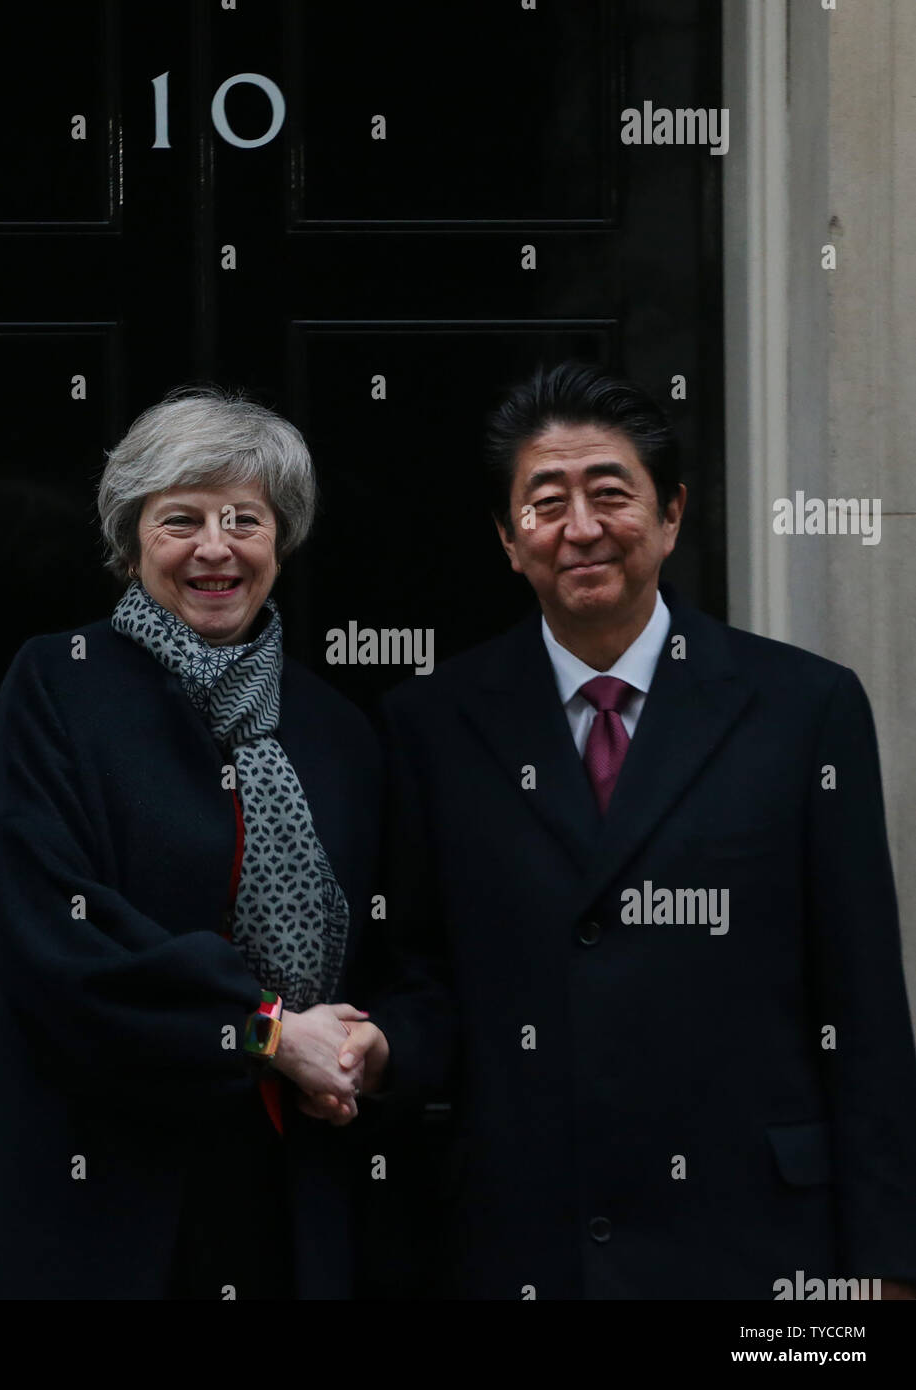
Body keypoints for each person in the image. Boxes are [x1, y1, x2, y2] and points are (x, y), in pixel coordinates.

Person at [343, 361, 916, 1299]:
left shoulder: (803, 708)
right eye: (545, 502)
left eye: (610, 493)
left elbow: (859, 999)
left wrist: (888, 1262)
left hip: (759, 1244)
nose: (580, 528)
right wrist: (380, 1051)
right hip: (519, 1240)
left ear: (671, 514)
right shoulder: (432, 726)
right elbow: (422, 972)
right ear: (506, 537)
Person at [0, 386, 382, 1299]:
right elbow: (49, 933)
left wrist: (370, 1045)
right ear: (130, 544)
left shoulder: (337, 729)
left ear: (279, 542)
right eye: (180, 519)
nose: (215, 547)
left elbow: (395, 948)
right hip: (78, 1183)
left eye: (243, 519)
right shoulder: (56, 684)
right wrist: (266, 1032)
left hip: (276, 1188)